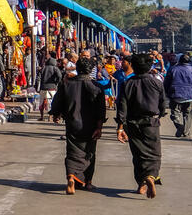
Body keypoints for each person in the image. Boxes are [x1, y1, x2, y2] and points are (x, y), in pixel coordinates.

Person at [49, 57, 106, 194]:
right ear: (91, 70)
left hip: (72, 123)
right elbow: (101, 110)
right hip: (91, 126)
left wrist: (56, 114)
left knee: (72, 152)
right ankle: (88, 183)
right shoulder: (97, 87)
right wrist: (99, 127)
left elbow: (57, 102)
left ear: (77, 68)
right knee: (89, 153)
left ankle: (71, 177)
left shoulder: (67, 84)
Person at [116, 54, 168, 199]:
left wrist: (120, 127)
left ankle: (141, 184)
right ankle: (150, 177)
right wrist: (161, 114)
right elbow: (163, 104)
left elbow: (122, 107)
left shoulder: (127, 84)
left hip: (132, 123)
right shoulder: (156, 83)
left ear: (133, 66)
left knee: (138, 154)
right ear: (149, 66)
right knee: (154, 154)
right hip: (151, 123)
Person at [163, 53, 192, 138]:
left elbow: (167, 82)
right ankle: (185, 131)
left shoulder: (173, 69)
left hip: (176, 95)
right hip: (190, 95)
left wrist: (166, 92)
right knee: (188, 115)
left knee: (175, 114)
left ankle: (180, 126)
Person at [37, 51, 63, 121]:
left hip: (43, 87)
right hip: (52, 88)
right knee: (52, 102)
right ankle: (50, 117)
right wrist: (56, 82)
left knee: (42, 102)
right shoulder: (55, 68)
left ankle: (42, 116)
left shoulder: (43, 68)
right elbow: (60, 76)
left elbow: (39, 77)